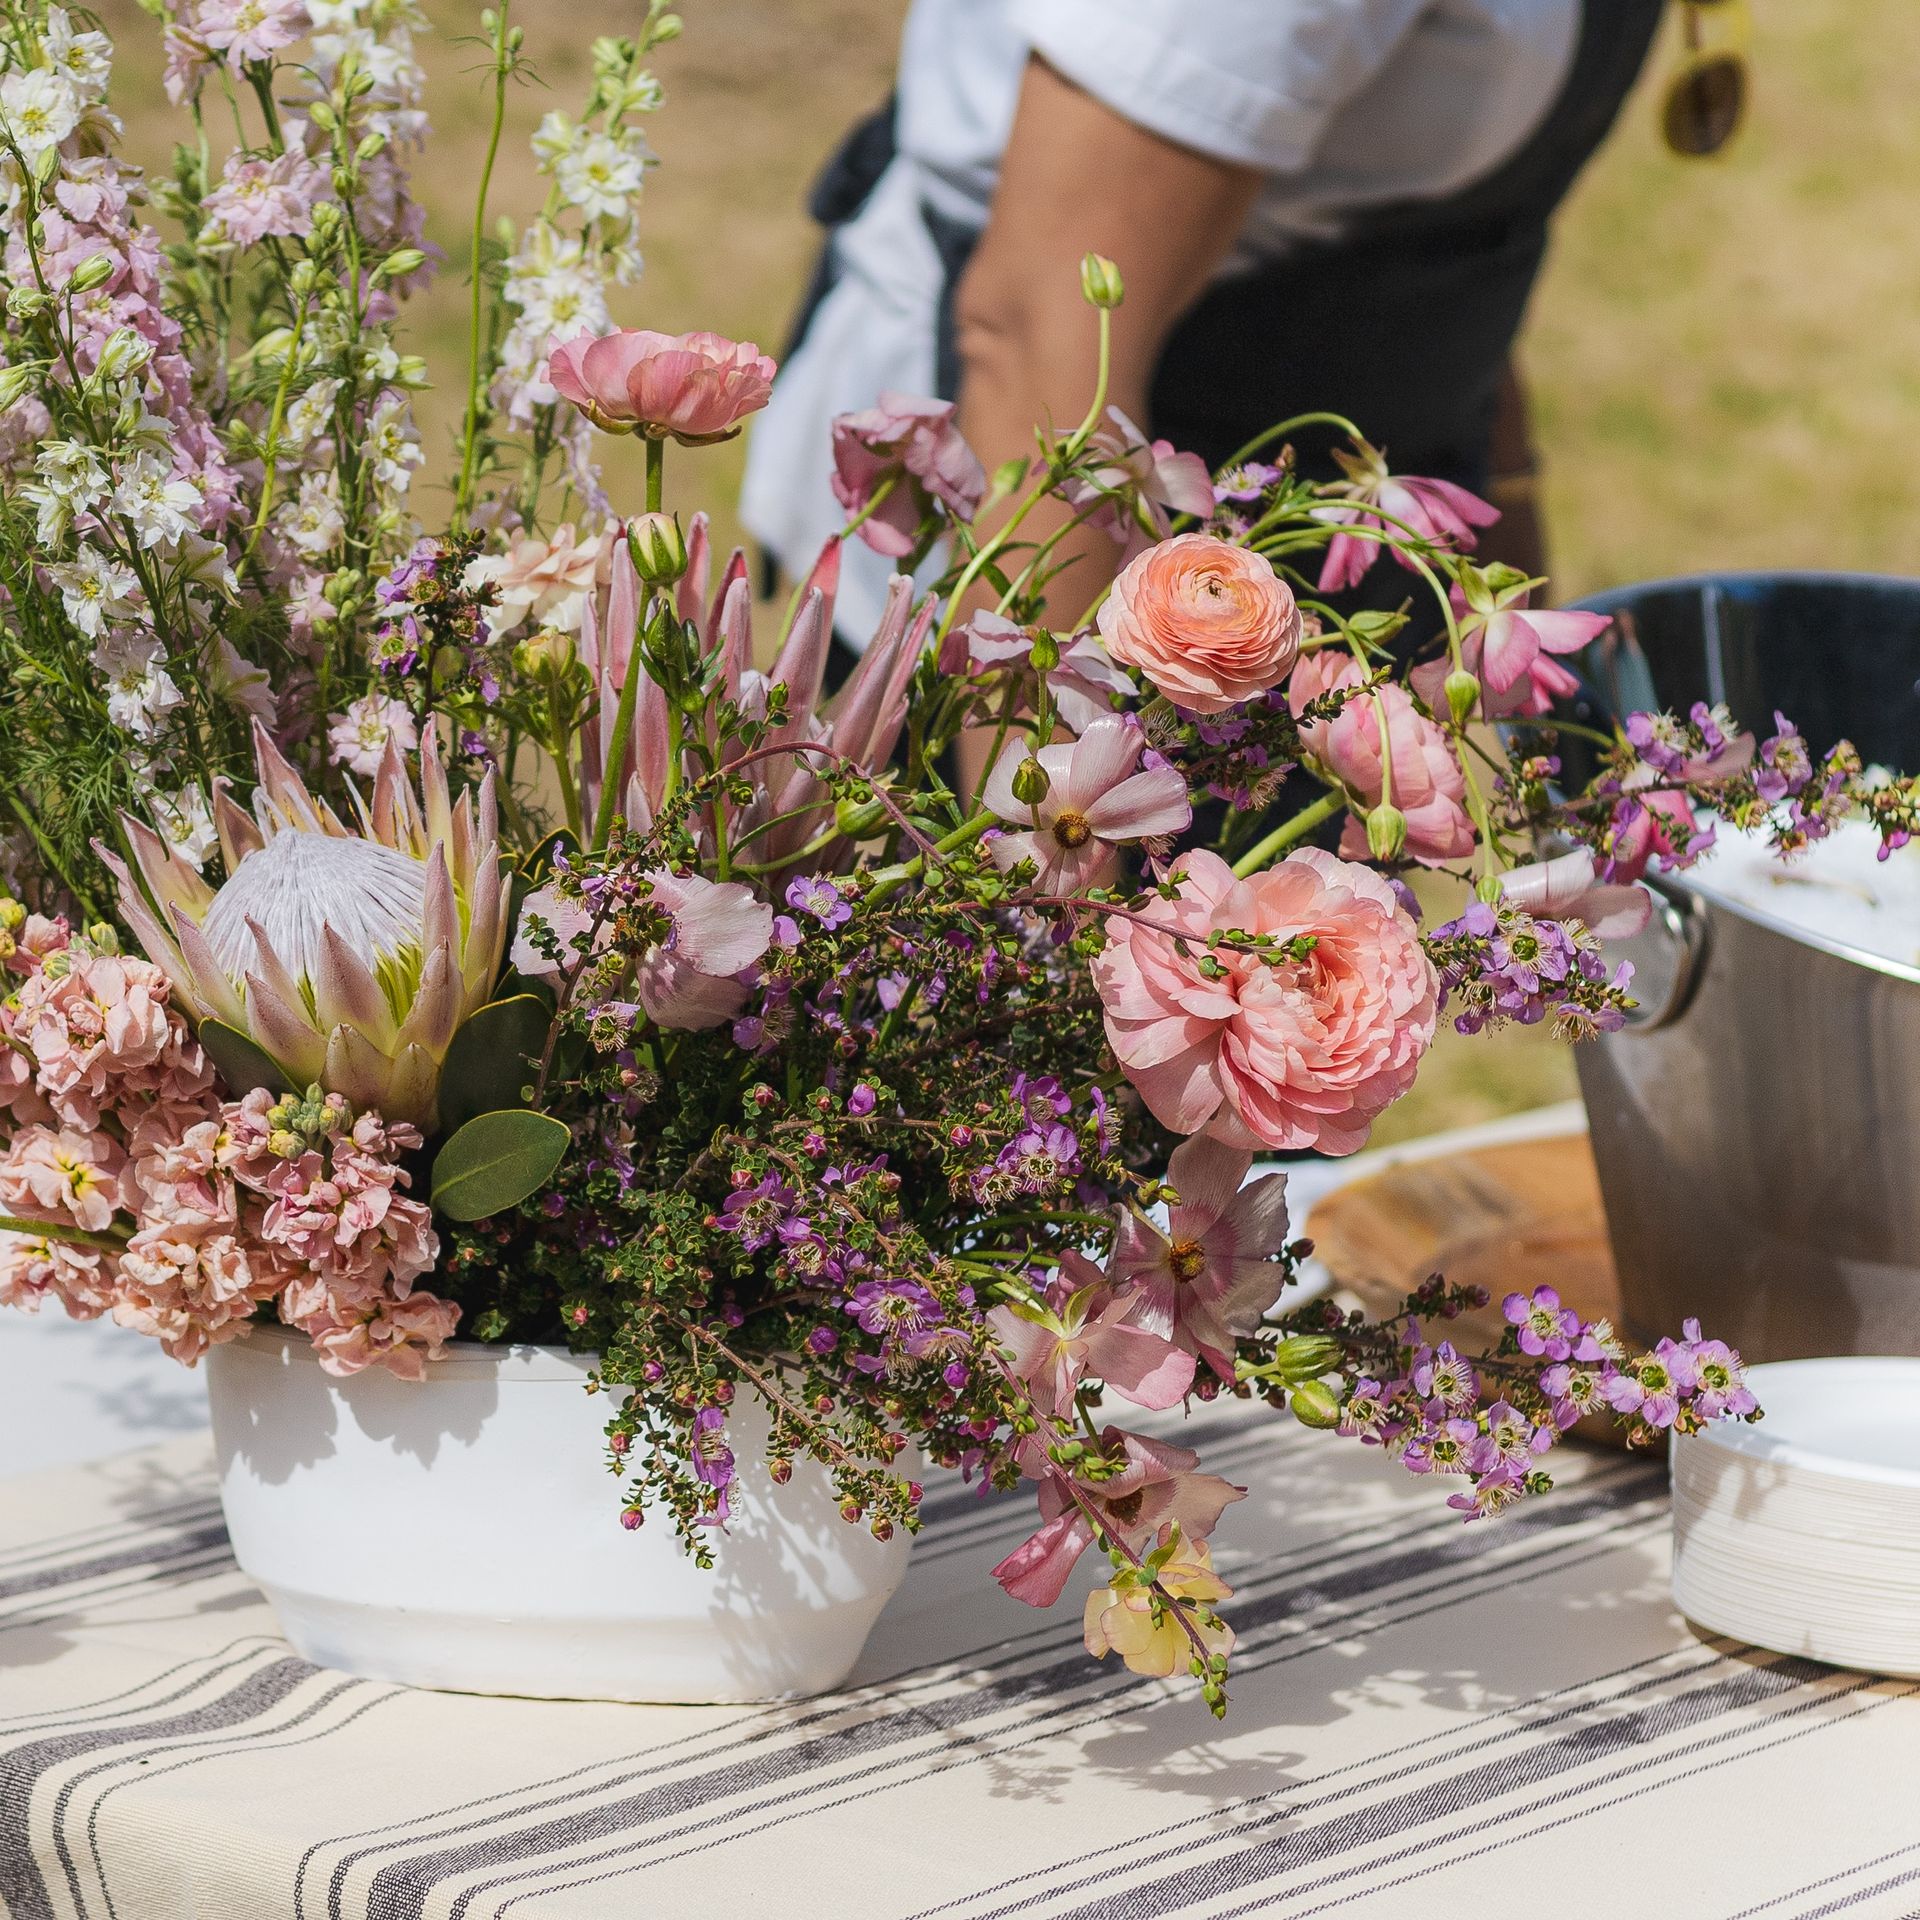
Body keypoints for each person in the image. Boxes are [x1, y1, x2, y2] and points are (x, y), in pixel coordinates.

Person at [741, 0, 1667, 658]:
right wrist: (1051, 909)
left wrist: (1542, 683)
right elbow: (1035, 332)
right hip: (1039, 589)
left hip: (1300, 573)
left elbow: (1427, 217)